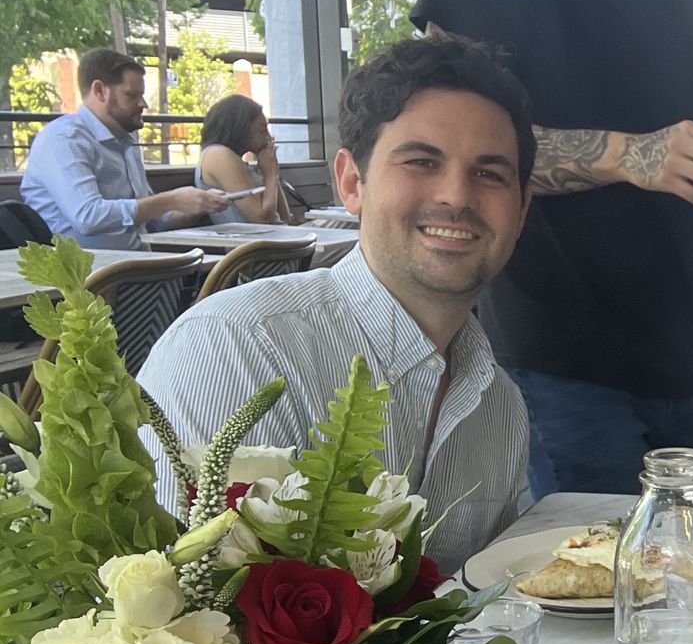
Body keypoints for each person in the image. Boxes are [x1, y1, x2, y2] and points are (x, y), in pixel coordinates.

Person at [138, 34, 535, 570]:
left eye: (490, 174)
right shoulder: (236, 351)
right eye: (421, 161)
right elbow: (185, 620)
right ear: (352, 182)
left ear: (522, 208)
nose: (457, 197)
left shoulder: (501, 406)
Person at [411, 0, 693, 495]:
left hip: (690, 359)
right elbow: (452, 142)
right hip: (555, 359)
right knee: (590, 565)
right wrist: (629, 155)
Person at [21, 48, 231, 249]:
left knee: (237, 273)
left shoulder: (124, 143)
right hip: (91, 279)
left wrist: (197, 205)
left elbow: (155, 221)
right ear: (99, 91)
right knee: (236, 275)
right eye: (131, 95)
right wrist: (172, 200)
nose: (143, 104)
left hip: (136, 268)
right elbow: (88, 217)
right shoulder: (64, 139)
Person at [196, 94, 294, 225]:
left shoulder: (240, 163)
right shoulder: (218, 155)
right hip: (253, 243)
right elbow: (262, 219)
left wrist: (271, 172)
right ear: (240, 129)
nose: (268, 137)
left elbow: (285, 218)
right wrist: (271, 176)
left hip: (279, 237)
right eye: (262, 130)